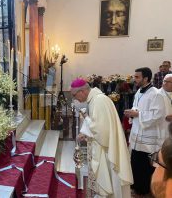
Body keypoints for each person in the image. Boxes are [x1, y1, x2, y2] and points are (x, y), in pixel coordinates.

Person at [71, 78, 133, 197]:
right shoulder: (96, 99)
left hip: (107, 150)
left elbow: (102, 133)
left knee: (110, 179)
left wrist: (85, 119)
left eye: (74, 95)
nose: (75, 99)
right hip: (105, 146)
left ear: (82, 91)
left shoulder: (99, 101)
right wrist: (86, 132)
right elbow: (99, 126)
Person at [124, 67, 166, 196]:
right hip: (137, 135)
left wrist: (137, 114)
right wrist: (131, 114)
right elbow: (137, 109)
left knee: (145, 166)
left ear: (146, 78)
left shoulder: (156, 94)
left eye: (137, 77)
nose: (134, 79)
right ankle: (136, 187)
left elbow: (158, 115)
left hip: (148, 137)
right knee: (135, 162)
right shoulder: (138, 92)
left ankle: (145, 191)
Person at [158, 74, 172, 145]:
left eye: (168, 82)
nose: (165, 83)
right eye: (164, 81)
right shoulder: (157, 94)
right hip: (162, 126)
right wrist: (165, 116)